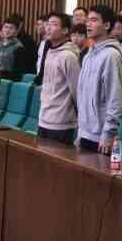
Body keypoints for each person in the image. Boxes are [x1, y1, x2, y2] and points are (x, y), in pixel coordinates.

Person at [77, 5, 122, 154]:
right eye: (87, 20)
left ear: (106, 25)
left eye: (94, 20)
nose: (88, 24)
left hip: (101, 137)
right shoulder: (88, 55)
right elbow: (82, 95)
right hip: (85, 132)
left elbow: (116, 99)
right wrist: (81, 130)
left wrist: (108, 133)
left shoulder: (111, 55)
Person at [37, 12, 81, 143]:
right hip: (44, 117)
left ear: (65, 30)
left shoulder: (69, 56)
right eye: (48, 24)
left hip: (62, 122)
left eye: (54, 24)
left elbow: (77, 91)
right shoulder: (49, 51)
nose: (48, 28)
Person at [0, 16, 23, 81]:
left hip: (9, 80)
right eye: (6, 27)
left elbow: (18, 73)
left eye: (11, 28)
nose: (7, 30)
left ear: (16, 31)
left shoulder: (18, 47)